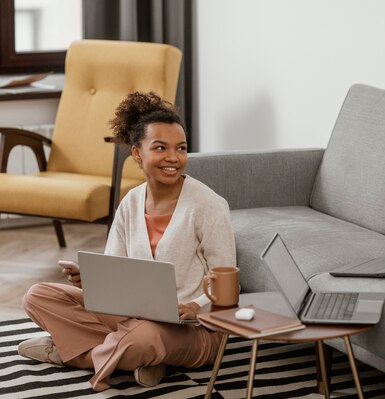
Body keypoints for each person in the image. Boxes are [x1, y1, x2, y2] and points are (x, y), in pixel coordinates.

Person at [17, 92, 237, 391]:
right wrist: (91, 280)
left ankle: (71, 354)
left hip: (195, 330)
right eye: (160, 148)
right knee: (37, 296)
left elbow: (229, 284)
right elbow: (116, 273)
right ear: (137, 153)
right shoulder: (130, 203)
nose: (173, 158)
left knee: (143, 338)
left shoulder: (208, 205)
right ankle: (141, 358)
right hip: (134, 316)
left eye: (181, 148)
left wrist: (198, 307)